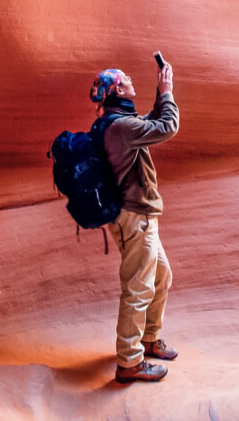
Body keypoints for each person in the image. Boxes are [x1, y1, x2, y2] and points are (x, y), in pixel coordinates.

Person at [88, 61, 180, 383]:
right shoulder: (121, 128)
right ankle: (129, 361)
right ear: (117, 90)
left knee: (160, 276)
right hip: (135, 218)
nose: (130, 81)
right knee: (138, 287)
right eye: (126, 79)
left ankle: (148, 338)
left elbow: (150, 123)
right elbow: (167, 126)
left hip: (136, 216)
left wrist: (160, 92)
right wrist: (167, 94)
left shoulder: (114, 123)